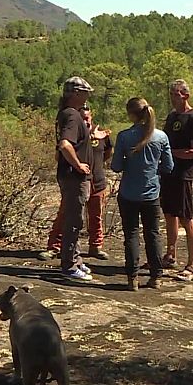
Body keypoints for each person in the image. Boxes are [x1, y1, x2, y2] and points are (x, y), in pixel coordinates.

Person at [111, 97, 174, 291]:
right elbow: (169, 166)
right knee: (153, 234)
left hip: (129, 193)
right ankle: (155, 277)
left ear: (131, 114)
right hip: (151, 194)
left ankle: (132, 278)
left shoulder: (124, 136)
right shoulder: (161, 137)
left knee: (131, 234)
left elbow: (116, 166)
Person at [43, 105, 113, 261]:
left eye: (87, 117)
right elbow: (59, 154)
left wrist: (97, 163)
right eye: (82, 118)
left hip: (97, 180)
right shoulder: (73, 132)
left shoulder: (101, 134)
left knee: (96, 215)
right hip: (76, 181)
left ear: (92, 116)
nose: (85, 120)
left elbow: (108, 152)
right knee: (65, 213)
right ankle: (54, 246)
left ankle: (96, 246)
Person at [160, 79, 193, 282]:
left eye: (176, 94)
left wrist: (172, 153)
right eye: (171, 94)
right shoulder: (171, 117)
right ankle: (170, 255)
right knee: (170, 214)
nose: (172, 97)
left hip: (183, 174)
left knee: (186, 218)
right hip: (168, 173)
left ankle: (192, 264)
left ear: (185, 95)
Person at [53, 76, 95, 282]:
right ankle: (69, 264)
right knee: (73, 220)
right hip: (73, 178)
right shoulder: (71, 115)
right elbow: (65, 145)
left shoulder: (70, 114)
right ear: (77, 94)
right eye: (86, 93)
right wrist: (78, 165)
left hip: (71, 176)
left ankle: (75, 260)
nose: (88, 96)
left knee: (75, 219)